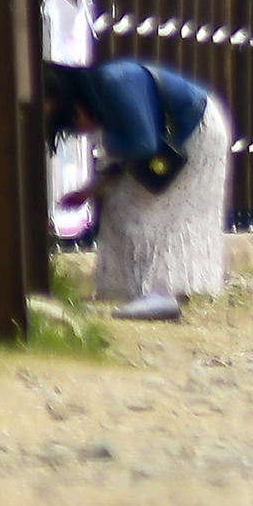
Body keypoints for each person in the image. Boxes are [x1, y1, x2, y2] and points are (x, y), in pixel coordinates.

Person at [45, 56, 231, 318]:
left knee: (153, 214)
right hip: (175, 140)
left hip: (193, 134)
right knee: (124, 207)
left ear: (76, 104)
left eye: (74, 121)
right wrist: (91, 190)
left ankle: (160, 293)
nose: (81, 130)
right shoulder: (103, 91)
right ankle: (146, 292)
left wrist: (103, 168)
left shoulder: (114, 83)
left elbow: (142, 144)